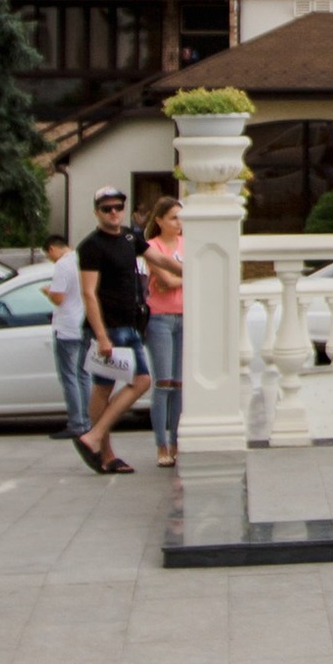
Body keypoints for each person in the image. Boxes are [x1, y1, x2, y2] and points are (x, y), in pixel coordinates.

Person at [76, 187, 150, 474]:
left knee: (138, 381)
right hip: (109, 328)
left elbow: (158, 259)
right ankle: (100, 447)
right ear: (97, 211)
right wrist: (102, 335)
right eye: (106, 208)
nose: (113, 212)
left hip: (130, 324)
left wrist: (190, 270)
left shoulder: (131, 237)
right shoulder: (92, 245)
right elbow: (88, 293)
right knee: (109, 387)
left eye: (118, 206)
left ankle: (97, 443)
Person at [142, 195, 186, 468]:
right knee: (164, 383)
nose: (179, 223)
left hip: (184, 317)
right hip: (160, 319)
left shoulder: (187, 244)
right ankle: (161, 445)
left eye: (181, 217)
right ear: (159, 220)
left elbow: (198, 275)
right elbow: (166, 280)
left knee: (180, 385)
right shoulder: (151, 246)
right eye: (173, 217)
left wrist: (177, 281)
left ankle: (176, 442)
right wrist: (183, 277)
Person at [41, 229, 92, 443]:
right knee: (83, 374)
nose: (50, 259)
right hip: (84, 323)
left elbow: (59, 298)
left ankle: (76, 423)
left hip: (67, 326)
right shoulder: (83, 260)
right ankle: (87, 420)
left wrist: (47, 291)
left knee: (69, 376)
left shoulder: (62, 265)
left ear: (53, 249)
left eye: (48, 255)